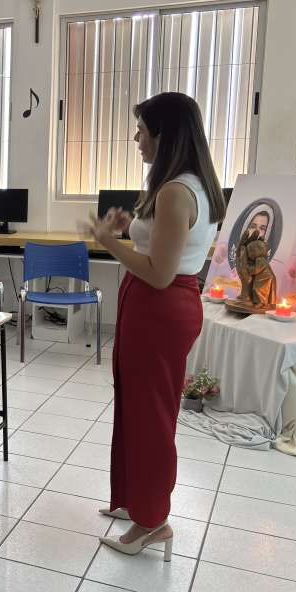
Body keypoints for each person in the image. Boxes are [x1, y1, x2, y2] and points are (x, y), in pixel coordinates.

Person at [84, 92, 225, 560]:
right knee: (136, 407)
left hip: (159, 307)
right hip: (154, 306)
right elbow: (165, 248)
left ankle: (152, 522)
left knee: (151, 419)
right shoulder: (185, 185)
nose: (136, 139)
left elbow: (161, 272)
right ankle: (135, 500)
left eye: (142, 130)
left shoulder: (175, 191)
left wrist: (107, 241)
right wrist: (130, 228)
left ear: (166, 135)